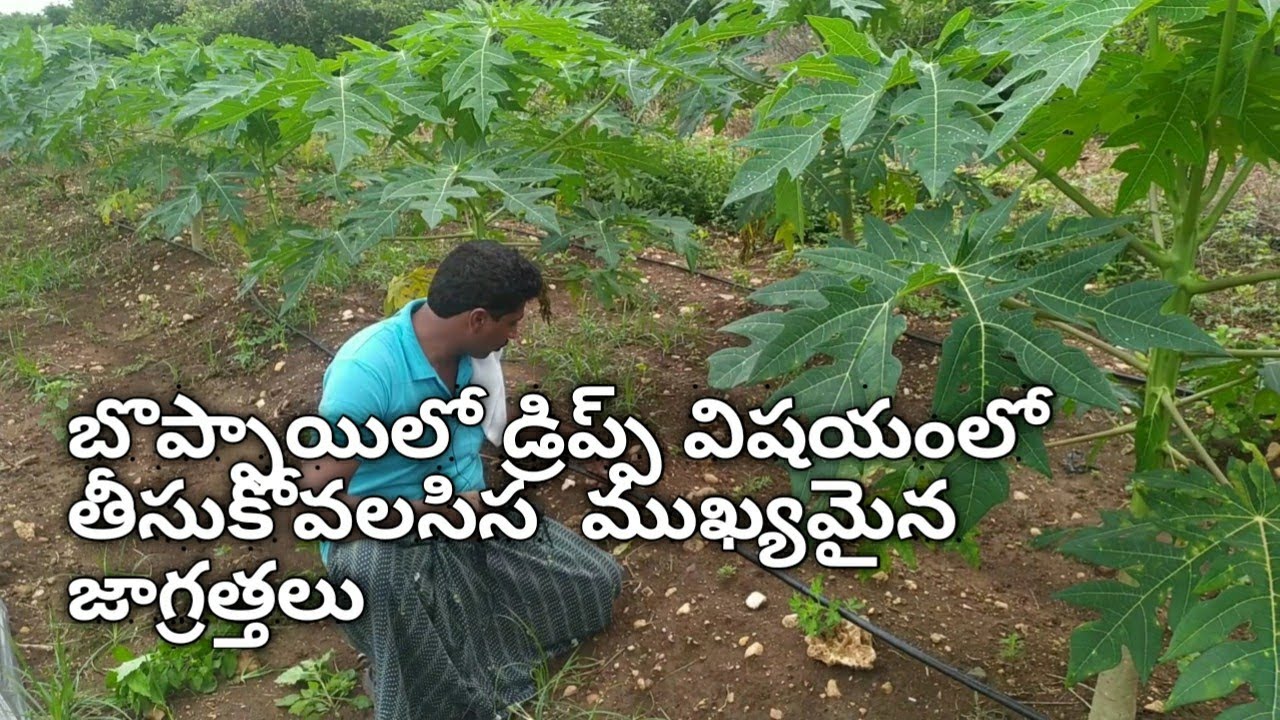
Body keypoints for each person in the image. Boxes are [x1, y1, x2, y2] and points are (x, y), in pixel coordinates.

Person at [298, 240, 625, 720]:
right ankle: (403, 664)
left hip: (467, 516)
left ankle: (444, 653)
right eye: (510, 323)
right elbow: (320, 503)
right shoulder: (366, 370)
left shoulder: (478, 359)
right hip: (383, 536)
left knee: (596, 583)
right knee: (382, 579)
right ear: (476, 318)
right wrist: (428, 512)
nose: (514, 336)